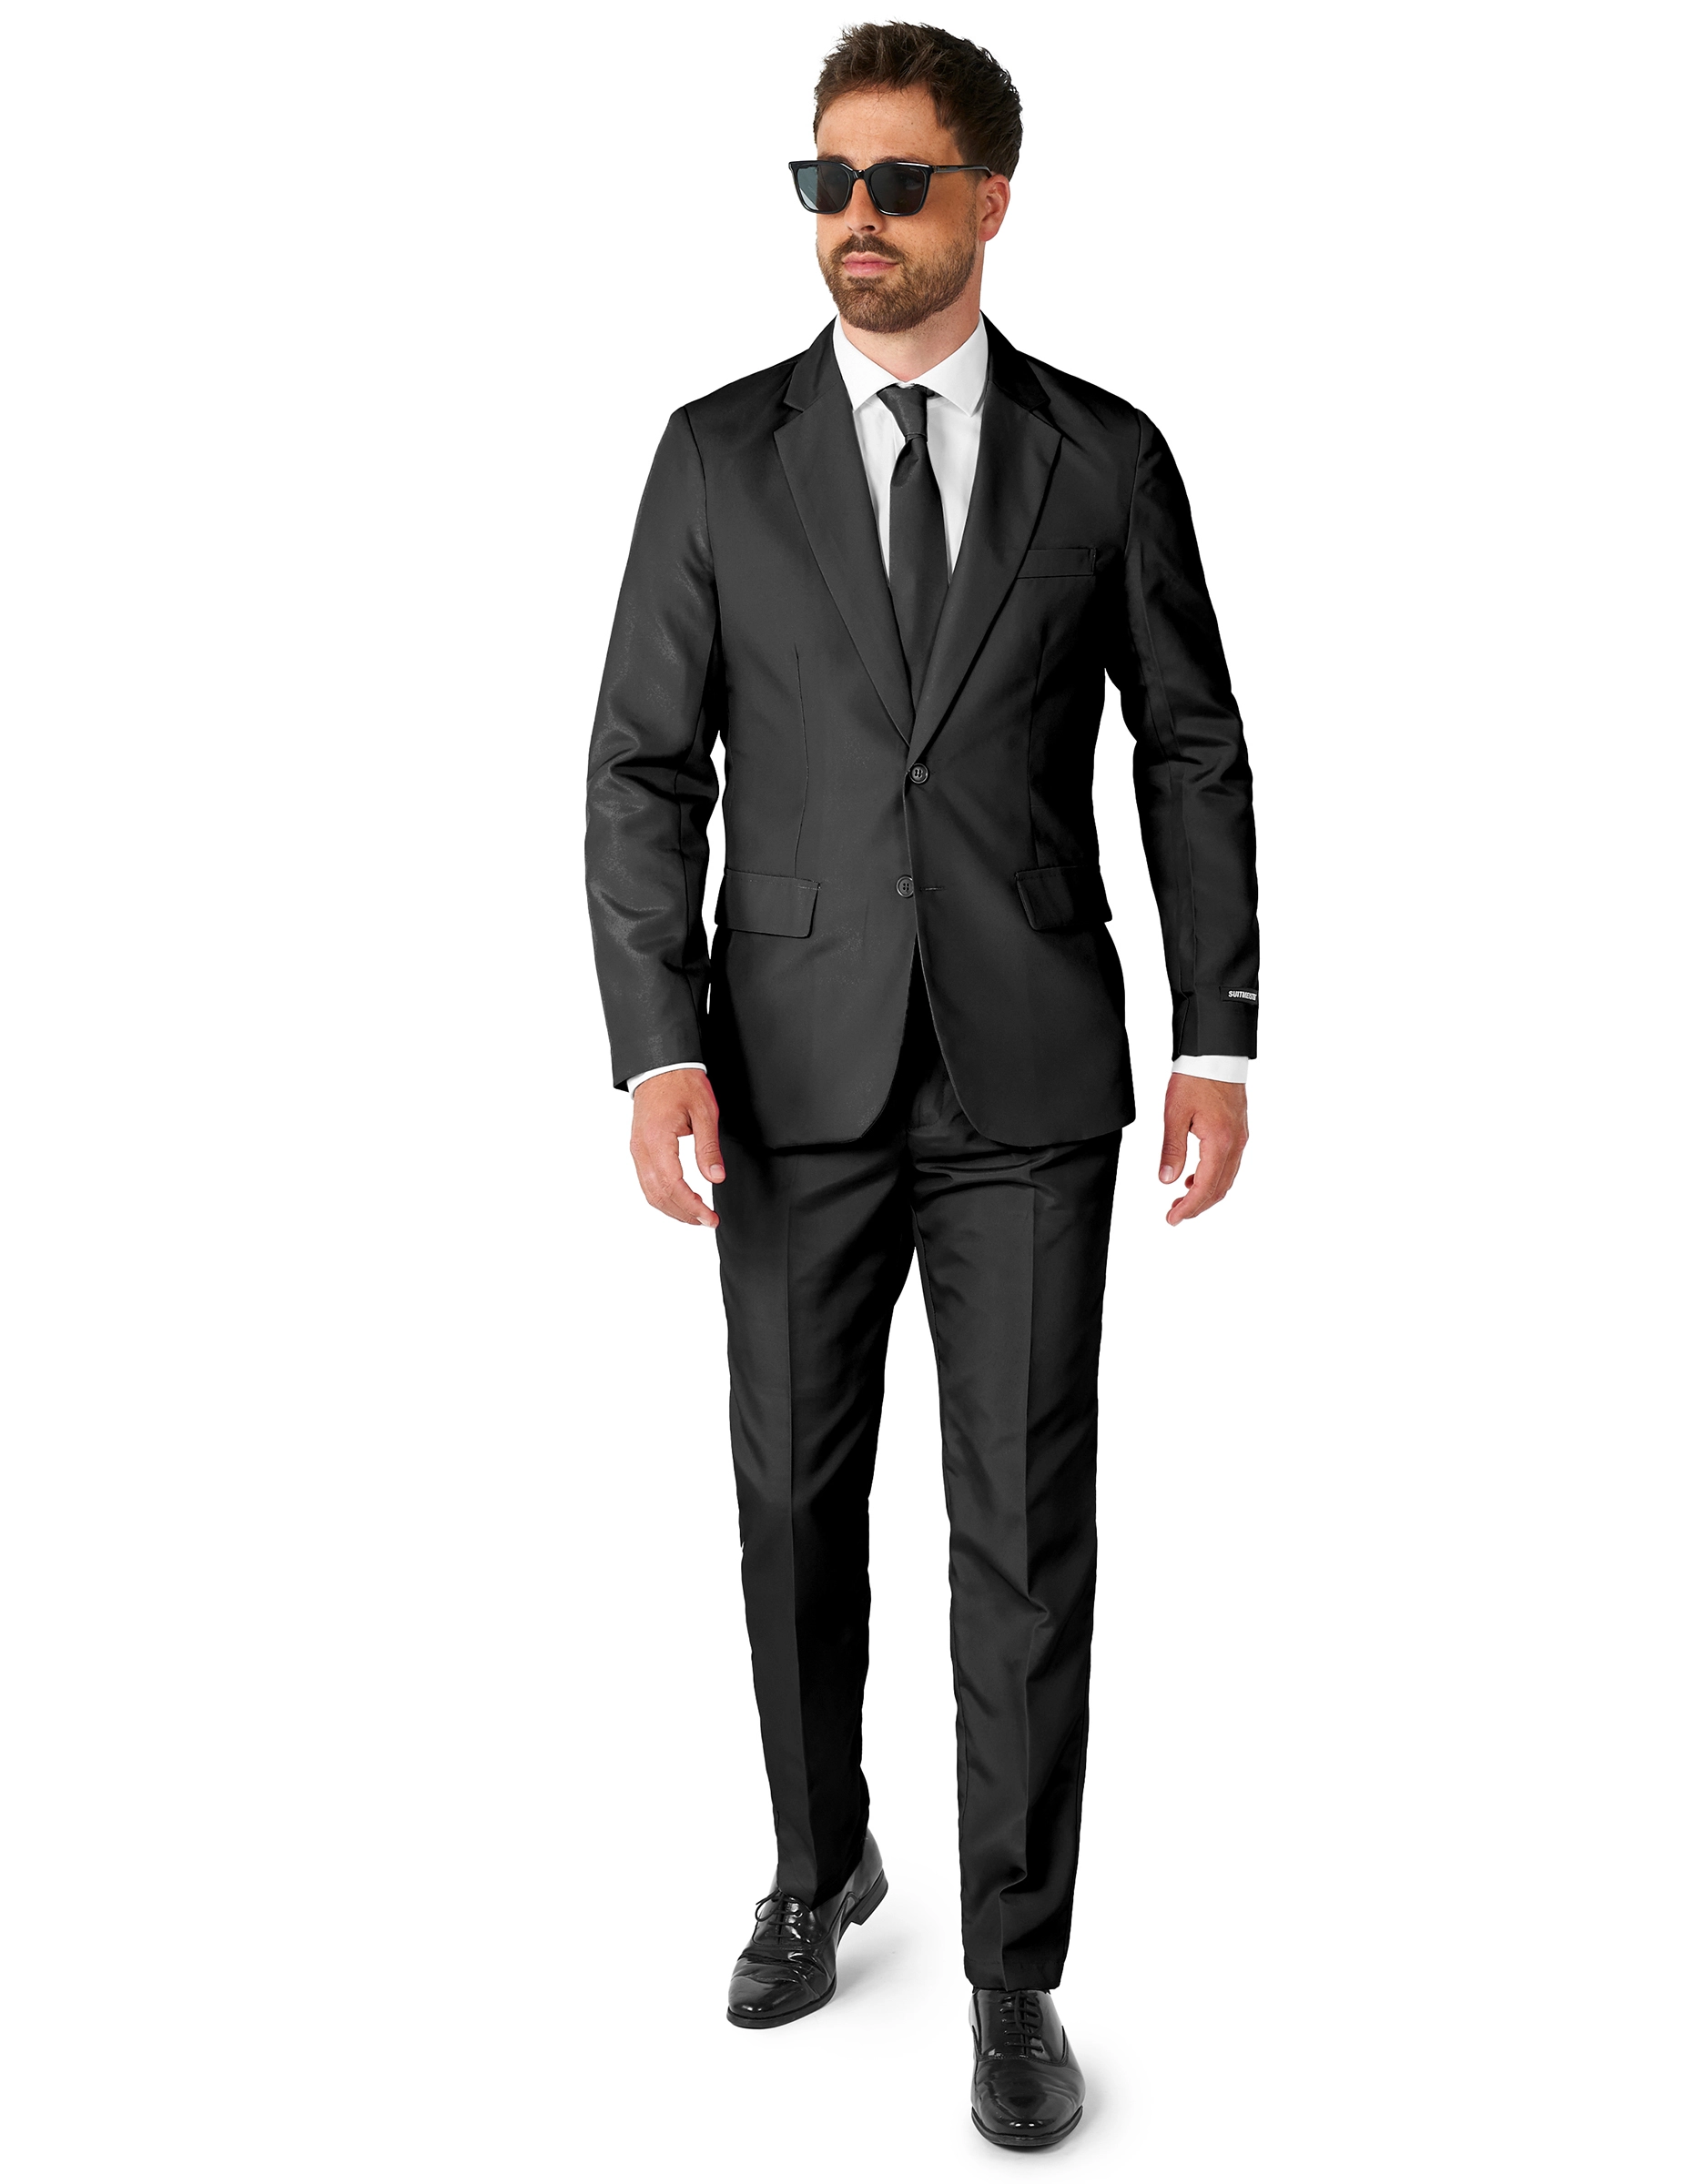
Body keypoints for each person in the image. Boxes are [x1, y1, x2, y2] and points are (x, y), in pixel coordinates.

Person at [584, 22, 1258, 2152]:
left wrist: (1216, 1031)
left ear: (987, 199)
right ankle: (819, 1860)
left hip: (1031, 1080)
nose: (852, 219)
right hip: (782, 1071)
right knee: (791, 1505)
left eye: (892, 181)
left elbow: (1190, 748)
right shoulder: (717, 456)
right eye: (824, 181)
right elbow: (642, 768)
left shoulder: (1102, 457)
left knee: (1023, 1533)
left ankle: (1010, 1971)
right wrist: (656, 1041)